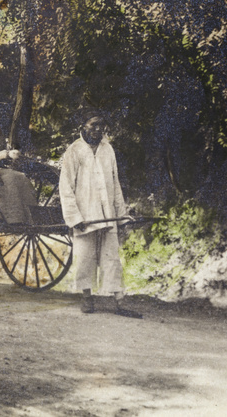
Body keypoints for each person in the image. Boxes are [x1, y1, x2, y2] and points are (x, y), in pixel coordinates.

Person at [59, 114, 141, 317]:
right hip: (85, 213)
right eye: (93, 125)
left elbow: (115, 182)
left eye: (101, 126)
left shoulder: (107, 149)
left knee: (111, 256)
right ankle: (87, 297)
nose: (98, 130)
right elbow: (66, 187)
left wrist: (121, 215)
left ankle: (119, 300)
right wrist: (74, 218)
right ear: (83, 126)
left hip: (107, 213)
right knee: (85, 256)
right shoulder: (74, 150)